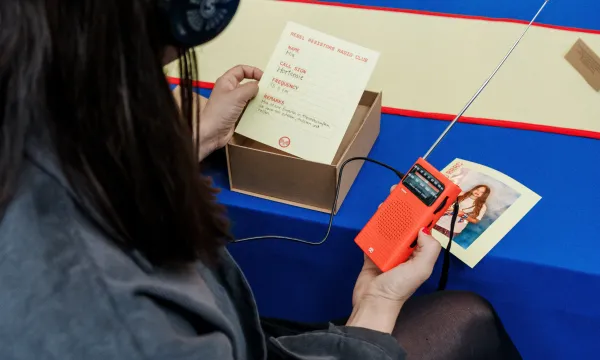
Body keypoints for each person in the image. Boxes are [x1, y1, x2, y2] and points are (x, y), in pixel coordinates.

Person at [0, 1, 521, 359]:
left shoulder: (37, 104)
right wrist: (377, 306)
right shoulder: (116, 319)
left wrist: (195, 139)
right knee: (464, 318)